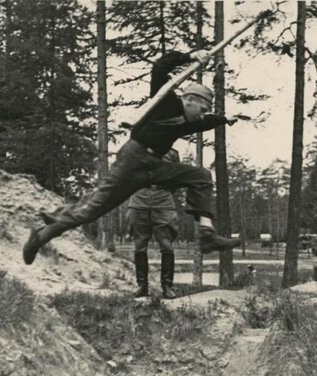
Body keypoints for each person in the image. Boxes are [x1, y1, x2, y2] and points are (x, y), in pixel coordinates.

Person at [23, 48, 241, 265]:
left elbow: (205, 122)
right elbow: (160, 67)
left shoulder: (186, 121)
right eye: (202, 109)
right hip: (132, 160)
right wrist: (190, 56)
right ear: (190, 100)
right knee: (92, 211)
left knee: (201, 176)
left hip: (154, 166)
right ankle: (42, 236)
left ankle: (207, 235)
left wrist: (224, 119)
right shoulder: (165, 102)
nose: (202, 115)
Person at [129, 148, 180, 299]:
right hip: (139, 200)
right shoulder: (136, 148)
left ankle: (167, 286)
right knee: (139, 245)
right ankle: (142, 286)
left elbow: (177, 178)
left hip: (163, 200)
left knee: (166, 245)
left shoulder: (172, 153)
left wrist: (163, 189)